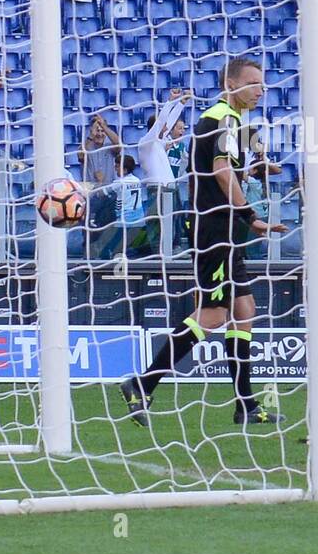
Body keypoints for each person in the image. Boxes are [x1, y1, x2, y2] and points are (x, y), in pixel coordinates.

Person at [120, 58, 287, 427]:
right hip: (215, 228)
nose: (260, 89)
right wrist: (249, 215)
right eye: (252, 82)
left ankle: (246, 405)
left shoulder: (234, 121)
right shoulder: (224, 118)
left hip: (223, 227)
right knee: (213, 314)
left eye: (263, 83)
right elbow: (221, 170)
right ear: (230, 83)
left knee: (244, 311)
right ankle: (142, 383)